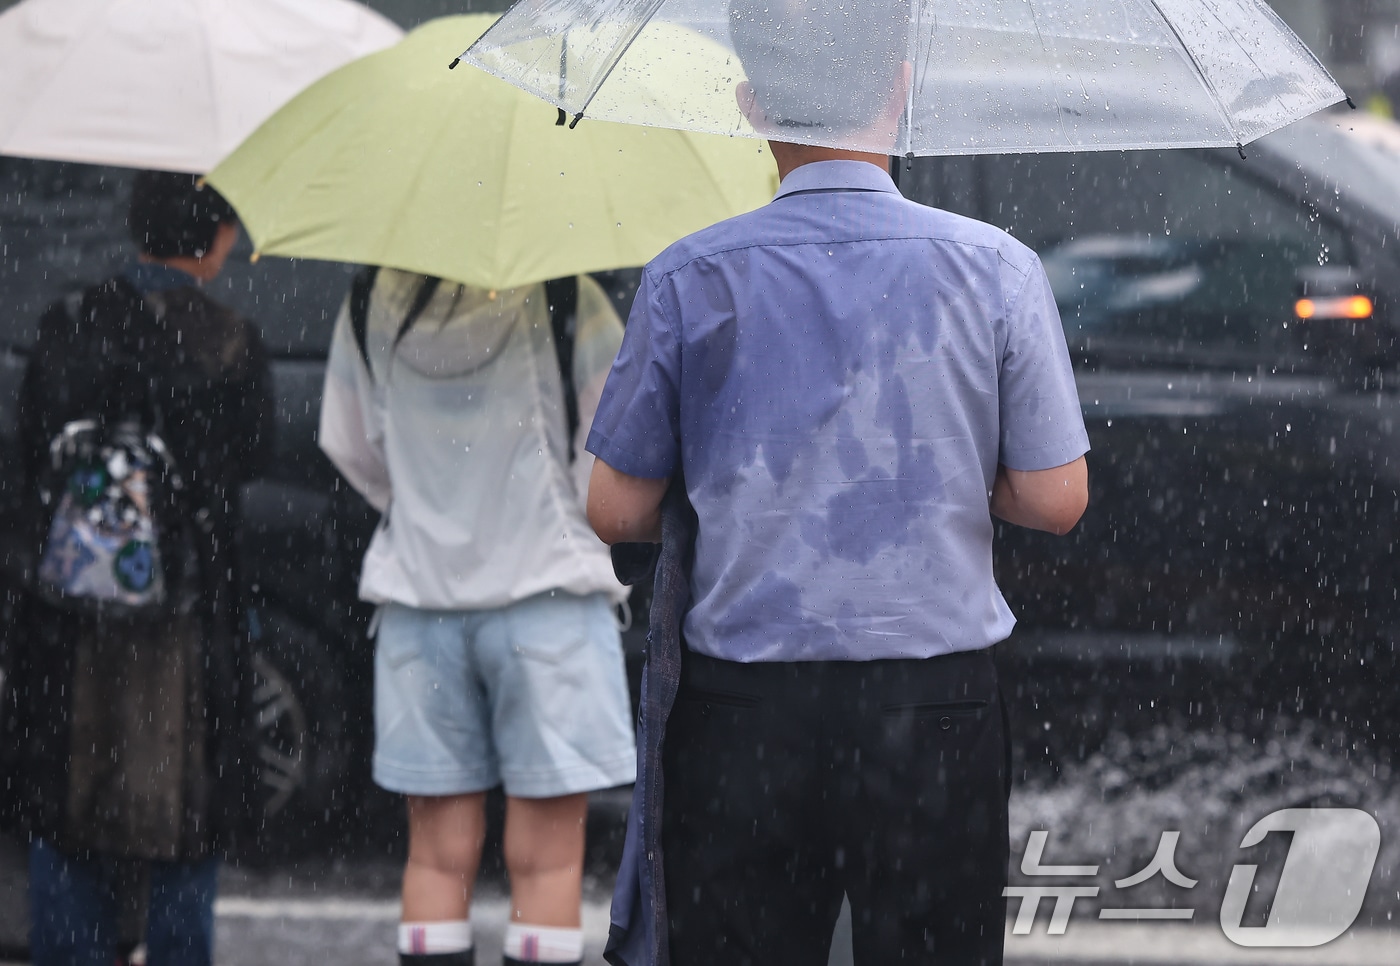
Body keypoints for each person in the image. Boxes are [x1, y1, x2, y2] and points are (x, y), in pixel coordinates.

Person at [584, 0, 1091, 962]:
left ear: (750, 103)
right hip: (935, 707)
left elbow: (614, 505)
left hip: (745, 713)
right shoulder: (995, 267)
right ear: (901, 90)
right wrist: (933, 469)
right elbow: (1056, 497)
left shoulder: (690, 276)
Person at [318, 268, 637, 966]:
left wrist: (428, 511)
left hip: (419, 606)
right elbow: (615, 444)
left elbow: (348, 444)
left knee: (435, 859)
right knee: (548, 865)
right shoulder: (563, 293)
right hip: (548, 606)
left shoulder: (370, 298)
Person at [10, 170, 272, 966]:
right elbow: (250, 458)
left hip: (71, 616)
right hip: (183, 624)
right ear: (220, 237)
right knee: (186, 819)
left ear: (136, 226)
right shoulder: (229, 342)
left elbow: (29, 454)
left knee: (67, 808)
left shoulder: (68, 324)